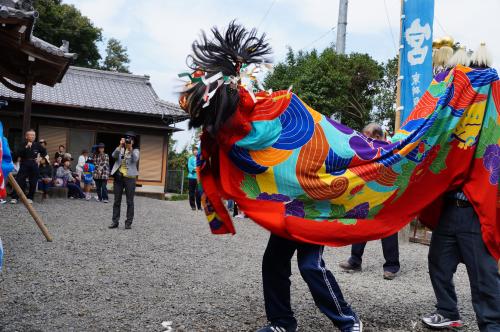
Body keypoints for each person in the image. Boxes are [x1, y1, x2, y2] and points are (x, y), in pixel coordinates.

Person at [259, 234, 362, 332]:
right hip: (285, 219)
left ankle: (348, 320)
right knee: (273, 262)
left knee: (310, 266)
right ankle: (282, 322)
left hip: (311, 220)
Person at [339, 123, 400, 280]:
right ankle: (355, 261)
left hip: (386, 193)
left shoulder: (391, 148)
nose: (364, 138)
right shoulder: (365, 149)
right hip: (368, 193)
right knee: (362, 225)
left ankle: (391, 266)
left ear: (378, 137)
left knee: (389, 229)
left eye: (367, 135)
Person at [109, 131, 139, 229]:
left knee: (130, 201)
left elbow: (135, 159)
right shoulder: (120, 148)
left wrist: (130, 148)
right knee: (117, 201)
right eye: (126, 139)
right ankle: (115, 221)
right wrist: (120, 145)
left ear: (133, 141)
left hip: (130, 178)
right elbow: (113, 155)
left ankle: (128, 223)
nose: (128, 141)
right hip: (118, 177)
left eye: (130, 139)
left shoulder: (135, 150)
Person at [10, 129, 47, 204]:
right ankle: (15, 197)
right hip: (24, 163)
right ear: (26, 136)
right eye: (30, 135)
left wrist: (40, 158)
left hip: (34, 163)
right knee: (19, 180)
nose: (32, 136)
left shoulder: (37, 145)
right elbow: (17, 154)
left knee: (33, 182)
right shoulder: (22, 144)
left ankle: (30, 197)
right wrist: (26, 147)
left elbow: (44, 152)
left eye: (33, 135)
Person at [187, 146, 201, 211]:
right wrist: (195, 169)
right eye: (194, 150)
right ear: (192, 152)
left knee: (198, 192)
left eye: (196, 150)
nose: (195, 151)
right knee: (191, 192)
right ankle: (193, 206)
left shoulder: (200, 158)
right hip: (191, 177)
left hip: (198, 177)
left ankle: (199, 206)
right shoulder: (190, 159)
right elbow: (189, 166)